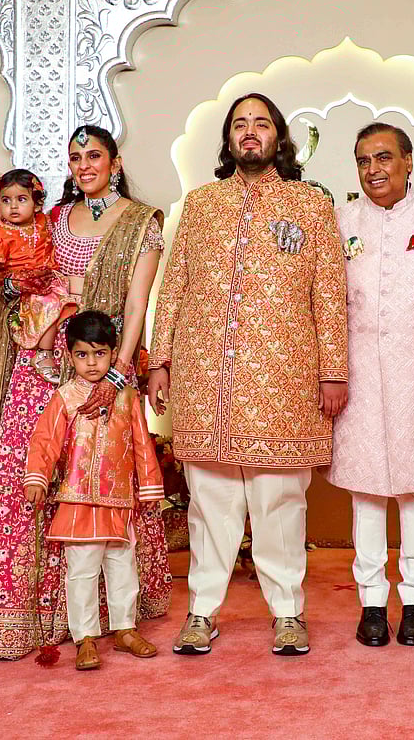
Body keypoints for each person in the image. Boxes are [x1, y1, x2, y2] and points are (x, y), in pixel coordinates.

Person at [0, 124, 171, 659]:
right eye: (75, 158)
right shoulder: (50, 217)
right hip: (41, 361)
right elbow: (28, 270)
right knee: (25, 475)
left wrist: (119, 373)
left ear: (115, 162)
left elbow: (138, 305)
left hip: (101, 365)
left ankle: (113, 618)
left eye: (94, 156)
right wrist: (10, 286)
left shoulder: (141, 222)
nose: (84, 166)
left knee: (100, 478)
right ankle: (25, 613)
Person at [149, 92, 348, 657]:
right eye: (240, 124)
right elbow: (174, 287)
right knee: (209, 502)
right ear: (228, 139)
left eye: (261, 123)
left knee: (280, 501)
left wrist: (333, 369)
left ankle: (287, 613)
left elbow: (329, 293)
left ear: (278, 136)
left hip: (284, 379)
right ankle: (202, 612)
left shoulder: (310, 206)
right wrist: (160, 360)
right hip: (206, 375)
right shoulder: (201, 205)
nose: (251, 132)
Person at [327, 123, 414, 647]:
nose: (374, 170)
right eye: (363, 160)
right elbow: (328, 305)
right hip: (357, 375)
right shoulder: (341, 223)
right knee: (365, 491)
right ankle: (371, 604)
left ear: (408, 160)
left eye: (384, 158)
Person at [23, 311, 164, 671]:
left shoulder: (127, 398)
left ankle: (125, 629)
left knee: (122, 567)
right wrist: (37, 478)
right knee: (82, 570)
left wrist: (150, 489)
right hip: (77, 500)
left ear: (113, 352)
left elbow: (141, 444)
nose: (91, 363)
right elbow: (44, 442)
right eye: (82, 355)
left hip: (118, 500)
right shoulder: (66, 398)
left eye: (100, 354)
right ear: (70, 356)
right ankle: (85, 637)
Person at [0, 169, 76, 384]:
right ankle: (43, 353)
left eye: (21, 199)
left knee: (64, 301)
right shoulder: (2, 233)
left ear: (37, 204)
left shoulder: (44, 222)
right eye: (6, 200)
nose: (13, 207)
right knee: (51, 303)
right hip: (24, 286)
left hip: (49, 279)